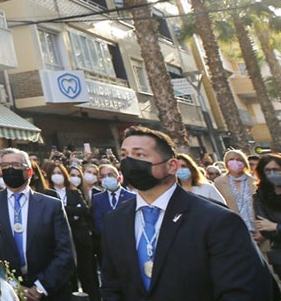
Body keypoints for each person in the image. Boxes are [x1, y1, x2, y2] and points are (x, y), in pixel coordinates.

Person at [99, 126, 274, 299]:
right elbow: (112, 285)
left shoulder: (216, 220)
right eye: (124, 155)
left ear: (172, 166)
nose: (129, 162)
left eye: (139, 155)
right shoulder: (115, 220)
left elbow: (244, 290)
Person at [0, 148, 75, 300]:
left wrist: (40, 288)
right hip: (6, 292)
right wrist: (12, 286)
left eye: (16, 165)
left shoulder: (52, 206)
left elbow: (65, 253)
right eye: (5, 166)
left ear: (29, 172)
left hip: (49, 292)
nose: (10, 169)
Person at [43, 162, 97, 300]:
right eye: (54, 173)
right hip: (61, 239)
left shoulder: (74, 191)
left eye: (60, 173)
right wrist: (72, 211)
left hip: (80, 239)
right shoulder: (47, 193)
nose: (57, 176)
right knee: (68, 275)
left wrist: (65, 210)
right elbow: (53, 214)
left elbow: (83, 210)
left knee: (88, 275)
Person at [214, 149, 258, 235]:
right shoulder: (219, 182)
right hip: (234, 229)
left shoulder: (254, 181)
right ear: (226, 162)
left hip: (257, 228)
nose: (235, 162)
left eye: (238, 160)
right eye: (231, 159)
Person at [92, 164, 135, 236]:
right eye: (103, 176)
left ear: (119, 178)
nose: (107, 178)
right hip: (107, 239)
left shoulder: (132, 197)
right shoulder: (97, 198)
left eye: (110, 175)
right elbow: (98, 220)